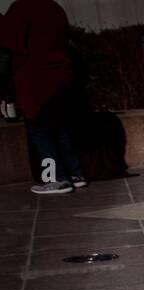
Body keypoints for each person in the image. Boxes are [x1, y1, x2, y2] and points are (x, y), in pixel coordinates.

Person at [0, 0, 85, 194]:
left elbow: (10, 40)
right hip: (62, 76)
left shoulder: (22, 8)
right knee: (61, 128)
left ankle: (56, 178)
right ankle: (75, 174)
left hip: (36, 79)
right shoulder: (54, 7)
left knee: (39, 130)